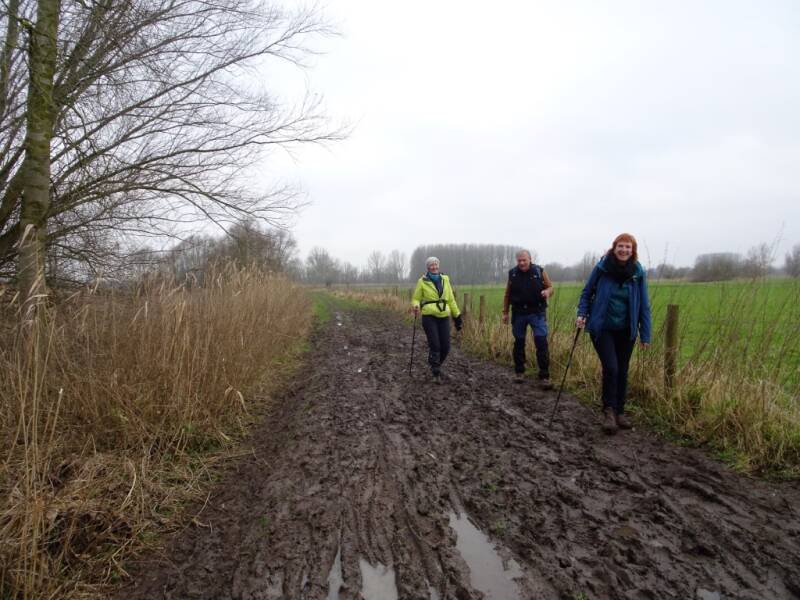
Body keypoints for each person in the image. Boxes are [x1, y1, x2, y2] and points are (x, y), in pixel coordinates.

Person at [576, 233, 652, 434]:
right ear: (614, 247)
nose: (624, 250)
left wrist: (645, 334)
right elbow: (586, 292)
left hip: (626, 330)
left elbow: (644, 304)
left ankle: (620, 412)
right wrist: (582, 314)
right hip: (602, 327)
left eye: (628, 247)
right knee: (611, 367)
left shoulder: (638, 272)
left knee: (622, 370)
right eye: (621, 246)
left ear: (632, 251)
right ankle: (609, 412)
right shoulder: (602, 268)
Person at [502, 250, 554, 388]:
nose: (522, 263)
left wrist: (547, 292)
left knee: (541, 342)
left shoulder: (539, 271)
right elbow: (507, 294)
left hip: (537, 313)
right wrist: (505, 312)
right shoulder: (512, 274)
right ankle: (519, 372)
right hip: (519, 313)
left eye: (524, 260)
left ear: (530, 259)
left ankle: (544, 376)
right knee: (519, 343)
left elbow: (550, 287)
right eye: (519, 260)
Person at [411, 257, 463, 383]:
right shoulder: (422, 281)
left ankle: (435, 364)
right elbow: (416, 298)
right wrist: (416, 306)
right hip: (429, 316)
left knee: (446, 347)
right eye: (431, 265)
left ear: (438, 266)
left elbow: (451, 299)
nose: (434, 267)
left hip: (444, 315)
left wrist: (457, 316)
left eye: (435, 265)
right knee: (435, 345)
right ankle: (436, 372)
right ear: (428, 267)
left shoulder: (445, 279)